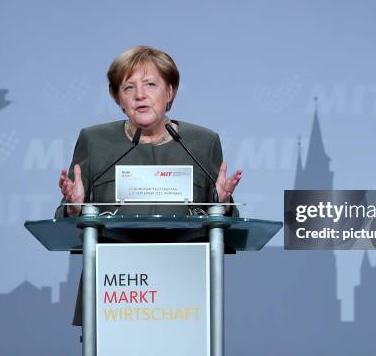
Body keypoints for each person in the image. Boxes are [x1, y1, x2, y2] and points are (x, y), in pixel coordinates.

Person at [55, 45, 242, 325]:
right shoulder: (95, 141)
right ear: (118, 98)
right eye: (128, 87)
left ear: (169, 93)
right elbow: (65, 217)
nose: (140, 95)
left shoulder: (202, 143)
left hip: (182, 290)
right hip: (115, 292)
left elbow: (228, 222)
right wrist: (73, 207)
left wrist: (223, 203)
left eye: (150, 84)